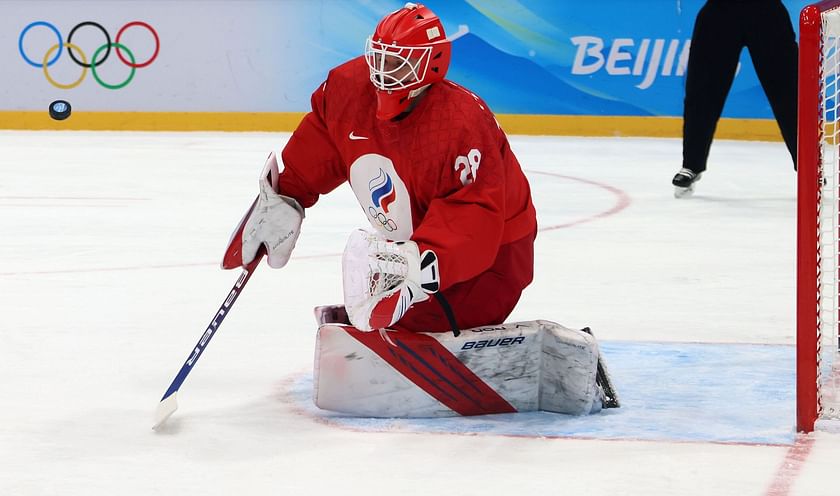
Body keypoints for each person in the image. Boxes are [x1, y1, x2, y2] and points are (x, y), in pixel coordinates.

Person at [222, 2, 537, 335]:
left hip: (494, 258)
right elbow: (320, 146)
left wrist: (417, 265)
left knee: (417, 326)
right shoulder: (348, 88)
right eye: (381, 57)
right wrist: (284, 198)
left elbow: (472, 218)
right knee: (390, 317)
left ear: (432, 64)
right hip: (418, 238)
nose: (384, 71)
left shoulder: (459, 123)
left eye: (398, 62)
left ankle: (422, 313)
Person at [672, 0, 798, 197]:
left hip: (767, 12)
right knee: (701, 93)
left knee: (790, 94)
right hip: (720, 11)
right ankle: (691, 165)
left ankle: (809, 168)